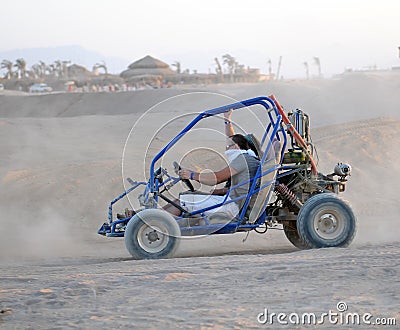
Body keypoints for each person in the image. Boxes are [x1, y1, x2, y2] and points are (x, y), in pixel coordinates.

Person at [163, 114, 260, 219]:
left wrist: (191, 175)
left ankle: (154, 222)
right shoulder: (247, 159)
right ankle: (154, 215)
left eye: (228, 146)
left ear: (236, 147)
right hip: (230, 202)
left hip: (231, 206)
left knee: (183, 201)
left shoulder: (244, 160)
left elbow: (216, 178)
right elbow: (232, 139)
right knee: (182, 199)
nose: (226, 150)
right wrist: (227, 120)